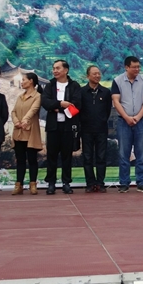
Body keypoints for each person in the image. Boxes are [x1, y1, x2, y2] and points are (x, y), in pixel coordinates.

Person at [111, 56, 143, 193]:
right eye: (134, 67)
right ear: (126, 67)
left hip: (141, 121)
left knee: (142, 154)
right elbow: (116, 101)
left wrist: (138, 117)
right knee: (124, 154)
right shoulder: (117, 81)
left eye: (138, 67)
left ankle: (142, 182)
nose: (137, 69)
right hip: (123, 121)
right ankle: (124, 183)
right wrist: (127, 117)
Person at [41, 60, 81, 195]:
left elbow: (76, 104)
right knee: (51, 155)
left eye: (58, 68)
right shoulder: (50, 85)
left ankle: (66, 183)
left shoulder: (74, 85)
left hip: (68, 127)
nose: (55, 71)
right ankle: (51, 183)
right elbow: (46, 102)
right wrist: (61, 104)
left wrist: (59, 108)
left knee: (66, 156)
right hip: (53, 126)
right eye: (53, 68)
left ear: (66, 70)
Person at [80, 66, 112, 193]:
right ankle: (90, 183)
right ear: (88, 76)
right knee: (87, 157)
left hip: (101, 129)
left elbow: (108, 110)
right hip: (86, 129)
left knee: (101, 157)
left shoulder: (106, 92)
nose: (97, 76)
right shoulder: (82, 91)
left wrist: (102, 120)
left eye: (99, 74)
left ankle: (100, 183)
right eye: (94, 74)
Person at [11, 73, 42, 195]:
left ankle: (33, 184)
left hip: (30, 132)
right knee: (20, 160)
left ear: (31, 81)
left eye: (24, 80)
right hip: (19, 131)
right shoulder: (20, 96)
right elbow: (13, 111)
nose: (22, 82)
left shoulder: (37, 96)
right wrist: (16, 122)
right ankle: (19, 185)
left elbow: (33, 110)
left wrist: (25, 120)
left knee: (32, 159)